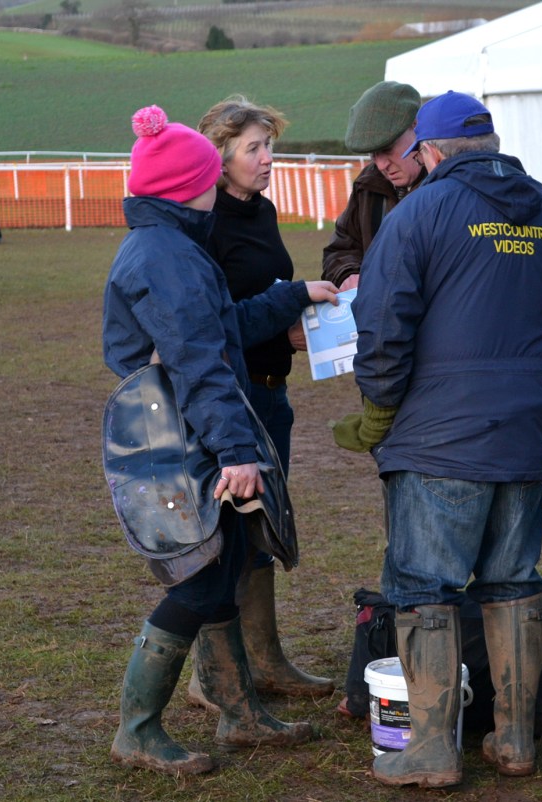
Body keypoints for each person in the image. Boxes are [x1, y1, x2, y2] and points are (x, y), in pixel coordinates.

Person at [333, 91, 542, 788]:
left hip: (437, 444)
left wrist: (378, 412)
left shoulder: (418, 215)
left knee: (425, 587)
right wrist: (535, 409)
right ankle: (513, 741)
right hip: (522, 440)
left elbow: (383, 331)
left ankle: (431, 749)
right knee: (513, 583)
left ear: (431, 151)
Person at [102, 104, 339, 776]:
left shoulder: (171, 247)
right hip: (185, 443)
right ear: (191, 187)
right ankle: (138, 728)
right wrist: (236, 453)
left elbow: (223, 324)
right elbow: (201, 365)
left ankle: (240, 713)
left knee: (227, 565)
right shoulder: (168, 258)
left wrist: (292, 296)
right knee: (203, 582)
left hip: (192, 431)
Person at [188, 95, 336, 702]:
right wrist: (292, 301)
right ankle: (212, 679)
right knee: (225, 536)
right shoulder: (205, 224)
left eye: (269, 144)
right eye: (254, 147)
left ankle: (266, 661)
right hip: (232, 402)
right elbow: (219, 325)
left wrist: (293, 331)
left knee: (263, 531)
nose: (267, 157)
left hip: (274, 396)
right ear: (219, 154)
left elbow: (265, 303)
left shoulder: (263, 210)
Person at [321, 81, 426, 290]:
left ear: (416, 127)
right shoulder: (368, 183)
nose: (381, 165)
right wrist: (347, 273)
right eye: (372, 154)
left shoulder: (450, 186)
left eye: (387, 149)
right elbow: (340, 249)